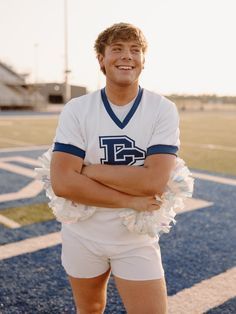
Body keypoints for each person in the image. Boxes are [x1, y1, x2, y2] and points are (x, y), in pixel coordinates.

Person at [50, 22, 180, 314]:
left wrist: (89, 170)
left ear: (143, 61)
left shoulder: (162, 109)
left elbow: (154, 182)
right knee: (91, 309)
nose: (127, 56)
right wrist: (129, 199)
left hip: (135, 239)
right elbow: (62, 183)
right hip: (82, 233)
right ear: (101, 59)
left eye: (135, 50)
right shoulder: (77, 109)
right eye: (117, 49)